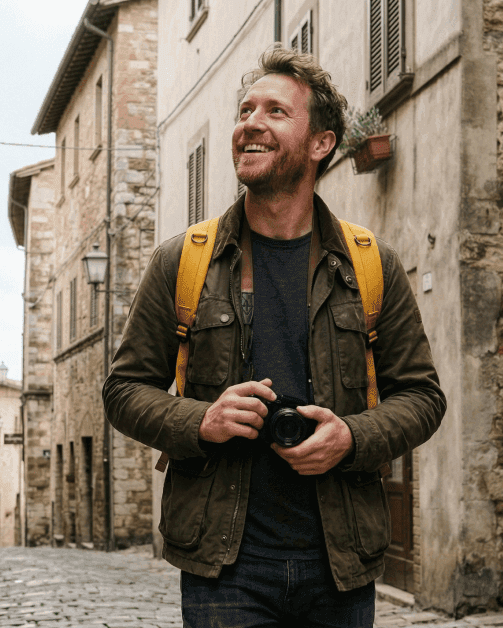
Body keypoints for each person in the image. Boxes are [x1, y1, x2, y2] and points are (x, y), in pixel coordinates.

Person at [102, 45, 446, 628]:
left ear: (321, 143)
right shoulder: (182, 262)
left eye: (275, 111)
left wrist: (352, 437)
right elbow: (123, 390)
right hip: (224, 570)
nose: (250, 124)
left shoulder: (371, 264)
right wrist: (202, 420)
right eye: (245, 110)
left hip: (340, 565)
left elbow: (423, 397)